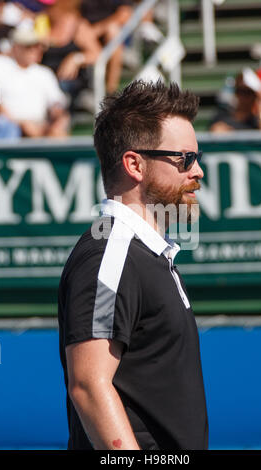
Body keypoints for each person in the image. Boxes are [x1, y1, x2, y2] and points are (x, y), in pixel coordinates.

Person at [58, 80, 208, 450]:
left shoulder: (146, 252)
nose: (198, 172)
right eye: (185, 158)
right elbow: (89, 385)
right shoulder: (110, 252)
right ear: (134, 164)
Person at [0, 26, 70, 137]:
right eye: (29, 46)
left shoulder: (44, 73)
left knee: (60, 129)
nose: (35, 50)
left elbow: (56, 103)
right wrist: (20, 124)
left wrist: (57, 118)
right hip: (7, 126)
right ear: (16, 47)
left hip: (38, 125)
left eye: (38, 46)